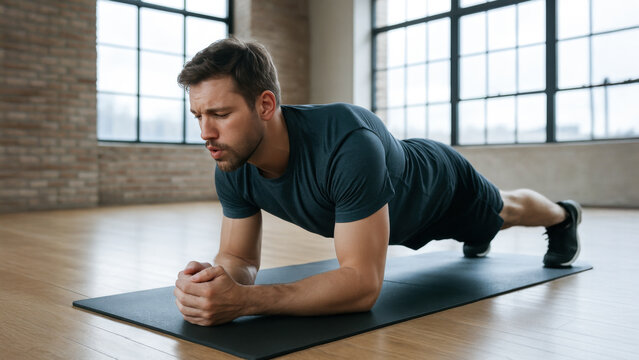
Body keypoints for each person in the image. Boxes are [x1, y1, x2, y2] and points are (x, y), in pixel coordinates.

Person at [173, 37, 581, 326]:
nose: (206, 132)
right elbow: (240, 260)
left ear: (265, 104)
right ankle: (477, 234)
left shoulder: (347, 143)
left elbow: (362, 287)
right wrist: (218, 285)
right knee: (483, 228)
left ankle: (563, 216)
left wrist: (247, 301)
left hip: (439, 188)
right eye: (198, 117)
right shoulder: (232, 158)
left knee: (505, 211)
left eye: (220, 115)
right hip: (396, 214)